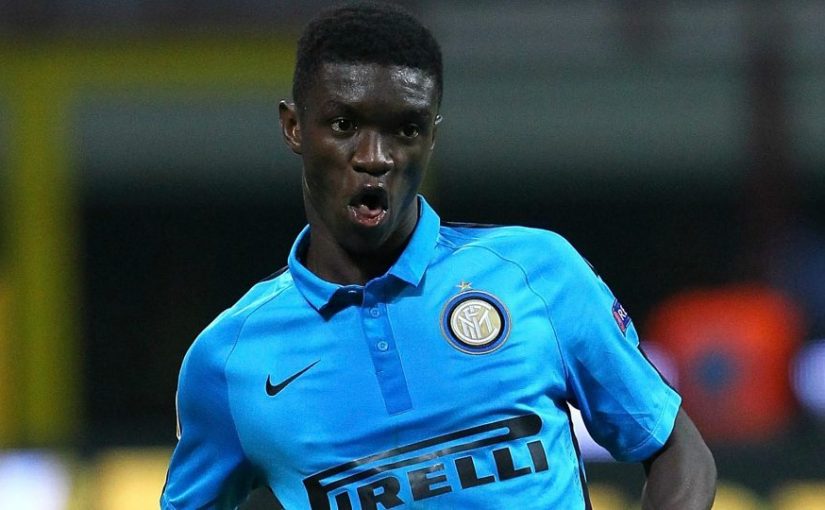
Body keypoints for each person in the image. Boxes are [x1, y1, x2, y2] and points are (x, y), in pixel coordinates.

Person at [161, 2, 716, 509]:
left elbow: (674, 448)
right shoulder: (228, 360)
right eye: (345, 125)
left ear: (431, 136)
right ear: (293, 128)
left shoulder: (537, 273)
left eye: (405, 129)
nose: (375, 157)